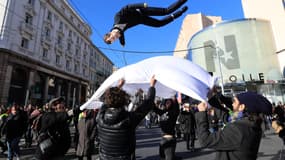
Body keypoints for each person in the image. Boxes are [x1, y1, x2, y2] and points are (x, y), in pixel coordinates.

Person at [196, 91, 272, 160]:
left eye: (234, 101)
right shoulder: (248, 122)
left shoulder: (239, 128)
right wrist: (211, 98)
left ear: (242, 107)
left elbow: (205, 140)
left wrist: (202, 113)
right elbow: (226, 117)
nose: (232, 103)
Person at [96, 76, 157, 160]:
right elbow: (148, 104)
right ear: (124, 101)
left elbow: (106, 102)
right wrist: (152, 86)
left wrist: (118, 87)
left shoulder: (100, 117)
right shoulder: (129, 119)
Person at [104, 0, 188, 46]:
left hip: (141, 11)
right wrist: (122, 43)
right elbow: (121, 37)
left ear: (110, 33)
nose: (115, 38)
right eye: (114, 40)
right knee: (159, 24)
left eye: (112, 38)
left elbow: (126, 7)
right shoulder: (120, 33)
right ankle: (180, 12)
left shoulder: (117, 18)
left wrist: (141, 5)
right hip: (142, 20)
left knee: (165, 11)